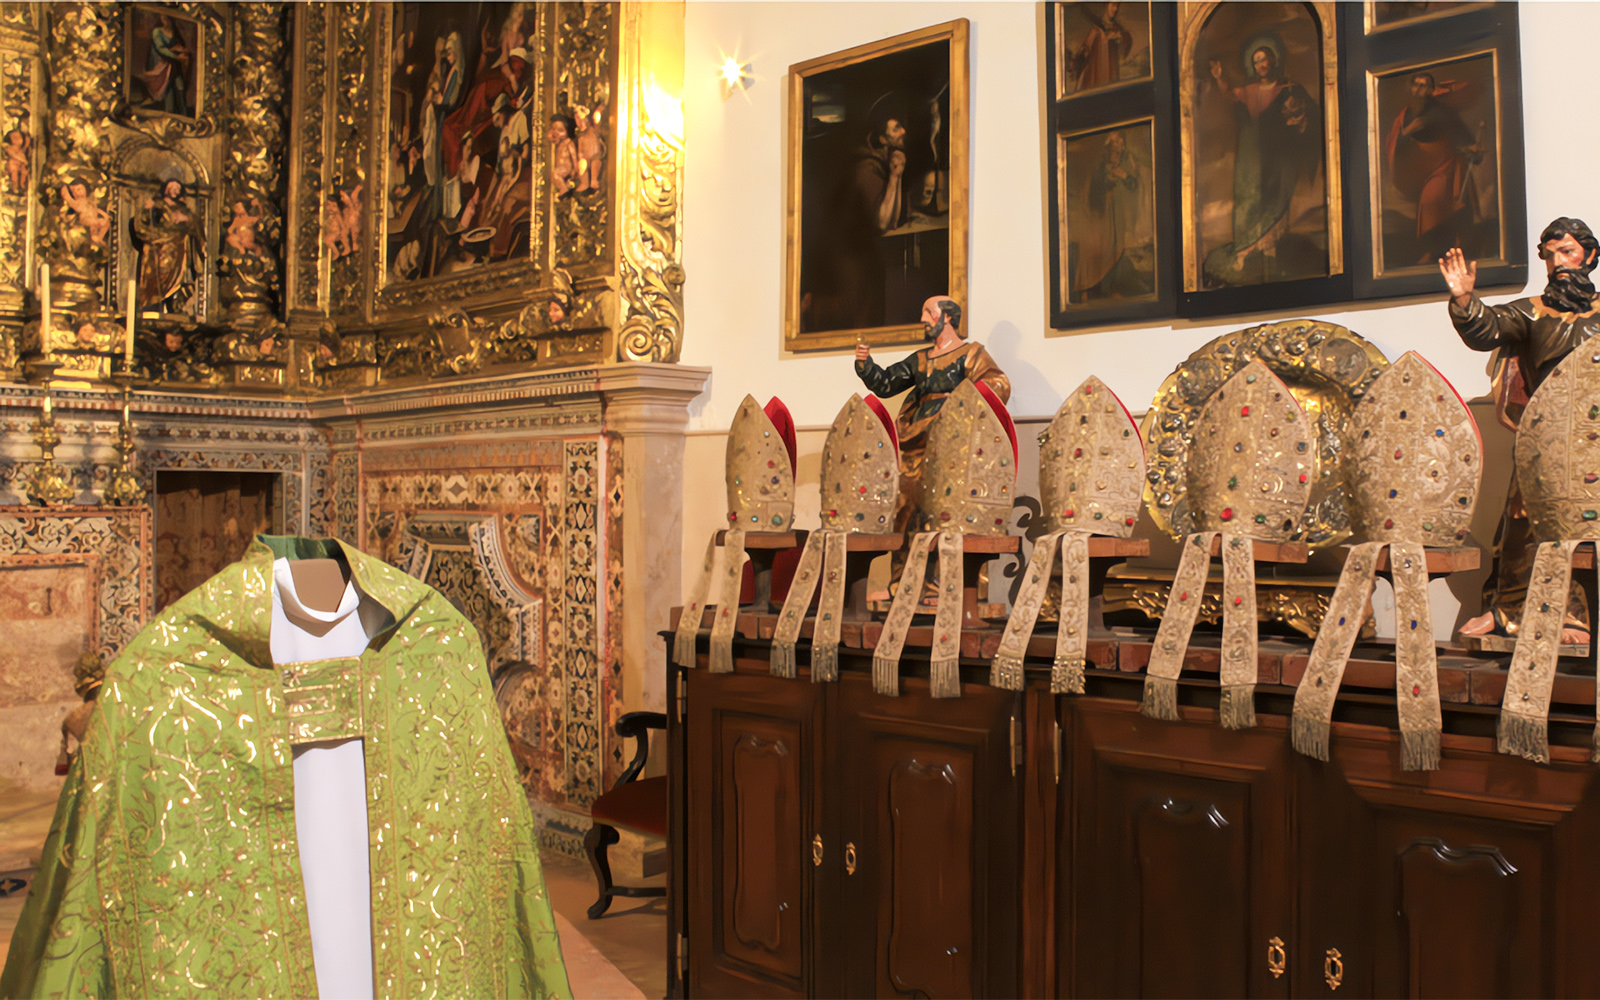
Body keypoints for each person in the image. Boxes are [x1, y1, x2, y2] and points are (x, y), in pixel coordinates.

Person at [1441, 218, 1600, 644]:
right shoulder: (1533, 312)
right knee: (1521, 523)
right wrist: (1464, 300)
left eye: (1566, 252)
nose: (1558, 263)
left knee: (1585, 531)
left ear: (1589, 254)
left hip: (1596, 442)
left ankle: (1573, 616)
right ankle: (1509, 610)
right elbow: (1486, 328)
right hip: (1545, 441)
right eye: (1549, 255)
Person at [854, 294, 1011, 532]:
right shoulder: (920, 359)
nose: (922, 319)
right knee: (909, 505)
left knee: (947, 504)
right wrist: (866, 364)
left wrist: (961, 406)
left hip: (954, 440)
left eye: (929, 312)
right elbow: (886, 384)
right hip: (916, 440)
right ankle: (907, 561)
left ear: (947, 317)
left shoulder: (970, 354)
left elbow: (997, 383)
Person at [1202, 40, 1321, 285]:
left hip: (1276, 157)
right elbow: (1228, 93)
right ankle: (1243, 253)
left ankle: (1270, 249)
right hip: (1252, 155)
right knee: (1249, 199)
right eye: (1256, 61)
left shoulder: (1287, 88)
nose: (1261, 65)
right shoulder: (1250, 90)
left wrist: (1300, 123)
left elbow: (1306, 113)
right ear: (1253, 65)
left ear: (1272, 61)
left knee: (1273, 198)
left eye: (1264, 59)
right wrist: (1218, 77)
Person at [1386, 71, 1483, 264]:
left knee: (1438, 201)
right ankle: (1436, 251)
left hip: (1447, 166)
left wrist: (1471, 148)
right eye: (1417, 85)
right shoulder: (1406, 115)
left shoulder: (1443, 111)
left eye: (1425, 86)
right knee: (1428, 205)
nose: (1420, 90)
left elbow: (1461, 135)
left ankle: (1451, 250)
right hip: (1424, 169)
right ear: (1411, 88)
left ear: (1431, 89)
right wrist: (1407, 131)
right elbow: (1398, 140)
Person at [133, 179, 204, 314]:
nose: (174, 190)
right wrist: (147, 210)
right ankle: (152, 305)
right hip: (157, 249)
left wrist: (186, 219)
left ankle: (175, 304)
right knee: (153, 279)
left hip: (178, 251)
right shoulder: (156, 205)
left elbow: (196, 226)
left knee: (178, 281)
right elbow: (142, 224)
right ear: (165, 189)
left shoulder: (183, 210)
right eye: (171, 186)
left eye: (177, 187)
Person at [1068, 2, 1134, 92]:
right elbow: (1086, 48)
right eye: (1113, 5)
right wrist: (1080, 56)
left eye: (1117, 6)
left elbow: (1127, 41)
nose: (1115, 9)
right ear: (1106, 5)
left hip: (1112, 75)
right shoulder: (1096, 29)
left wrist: (1119, 37)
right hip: (1096, 76)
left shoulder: (1116, 28)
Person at [136, 14, 192, 116]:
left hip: (174, 65)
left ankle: (184, 116)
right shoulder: (157, 31)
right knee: (168, 91)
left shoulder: (174, 31)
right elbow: (160, 48)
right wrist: (177, 56)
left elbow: (176, 45)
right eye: (163, 18)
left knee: (180, 87)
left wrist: (181, 50)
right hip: (162, 66)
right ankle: (169, 117)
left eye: (167, 18)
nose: (165, 20)